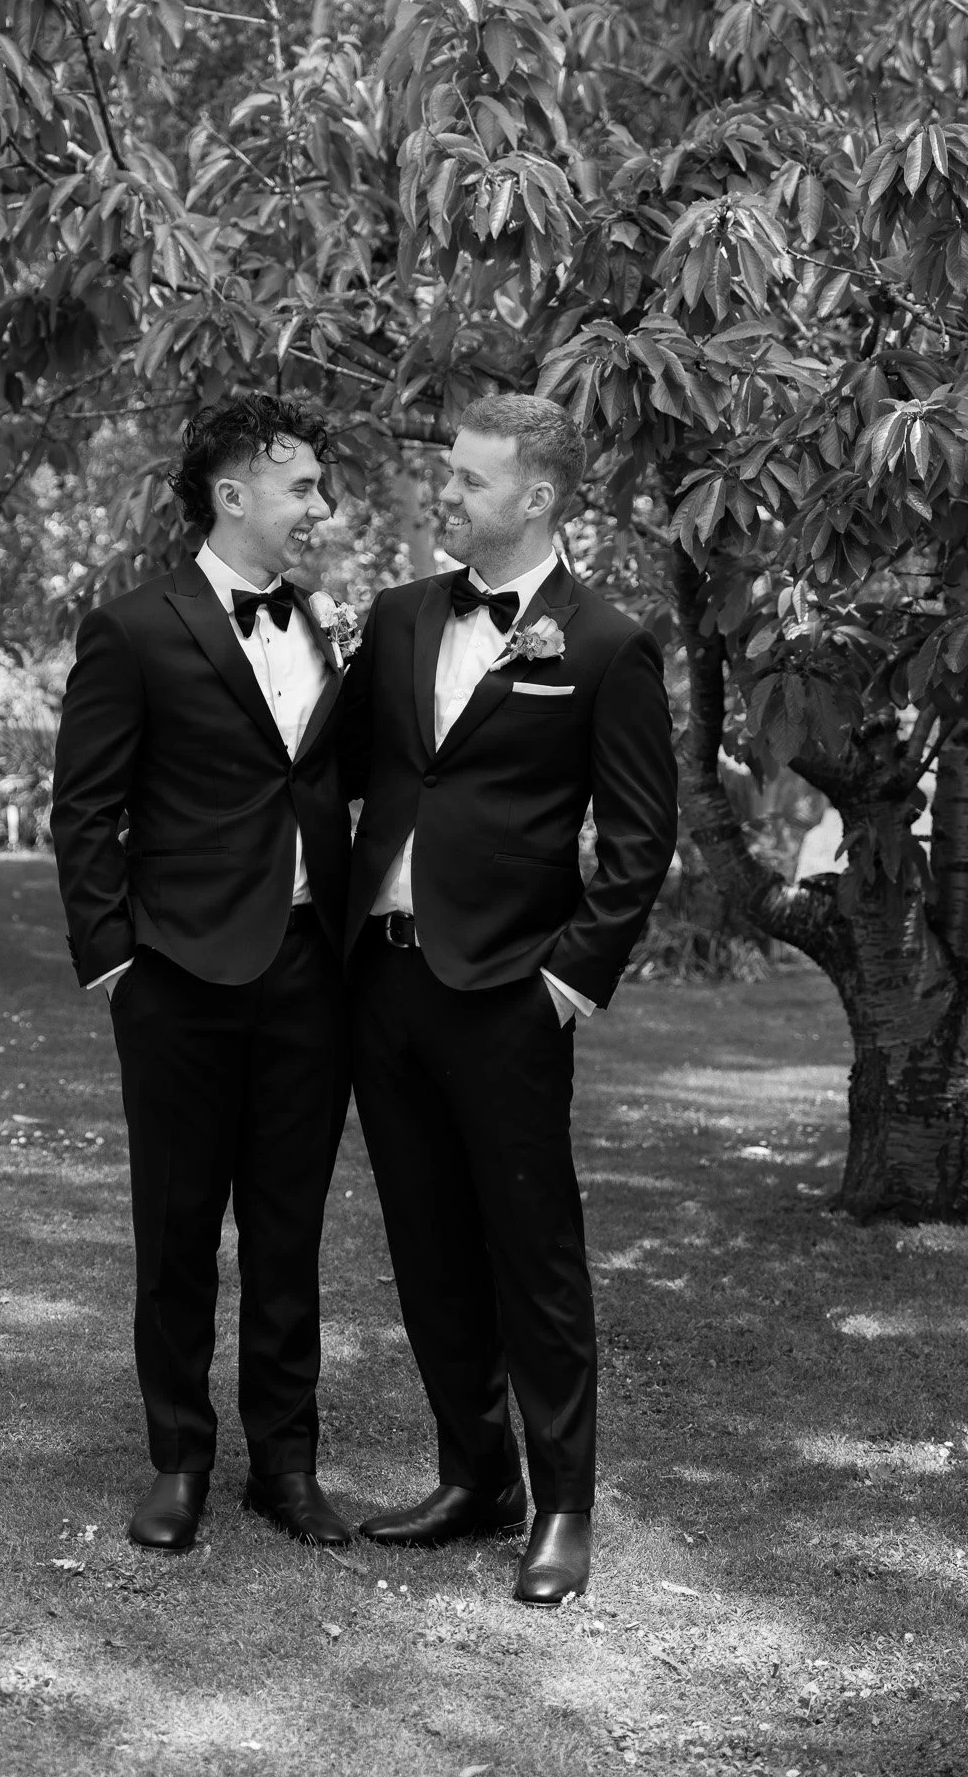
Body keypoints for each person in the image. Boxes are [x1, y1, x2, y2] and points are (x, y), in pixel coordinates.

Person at [341, 391, 679, 1604]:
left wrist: (565, 982)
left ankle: (563, 1505)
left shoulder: (604, 642)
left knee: (534, 1254)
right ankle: (471, 1473)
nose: (453, 495)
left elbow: (641, 844)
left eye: (473, 480)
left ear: (535, 496)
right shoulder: (396, 619)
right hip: (382, 984)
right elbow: (325, 772)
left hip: (509, 997)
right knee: (427, 1242)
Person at [52, 392, 355, 1553]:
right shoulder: (133, 628)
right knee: (177, 1231)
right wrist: (115, 964)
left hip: (308, 970)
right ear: (234, 495)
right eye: (303, 487)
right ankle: (178, 1457)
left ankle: (286, 1464)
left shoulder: (330, 625)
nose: (319, 506)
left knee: (289, 1232)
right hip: (176, 974)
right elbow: (84, 812)